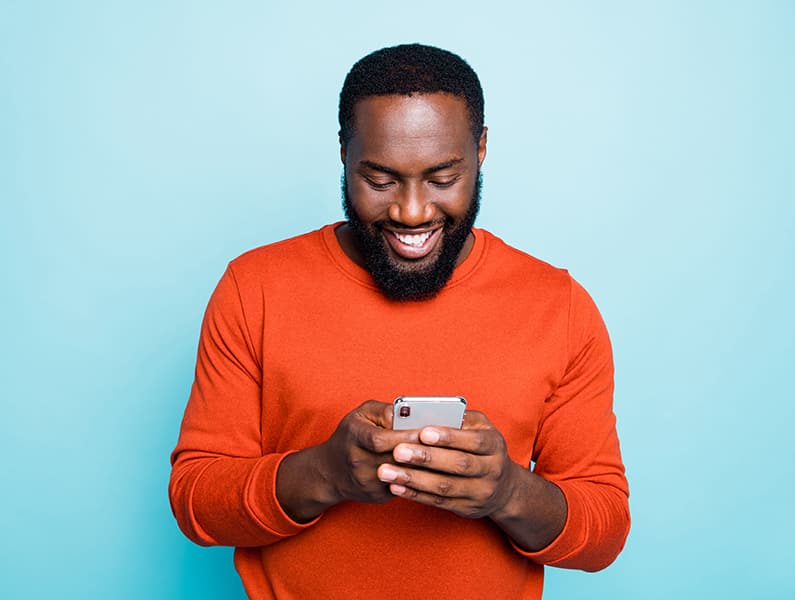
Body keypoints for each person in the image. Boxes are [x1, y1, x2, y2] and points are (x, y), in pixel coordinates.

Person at [169, 43, 629, 599]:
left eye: (441, 178)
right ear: (343, 152)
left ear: (480, 149)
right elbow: (196, 502)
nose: (412, 212)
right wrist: (326, 473)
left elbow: (603, 531)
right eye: (381, 179)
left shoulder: (560, 306)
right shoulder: (255, 288)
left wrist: (507, 491)